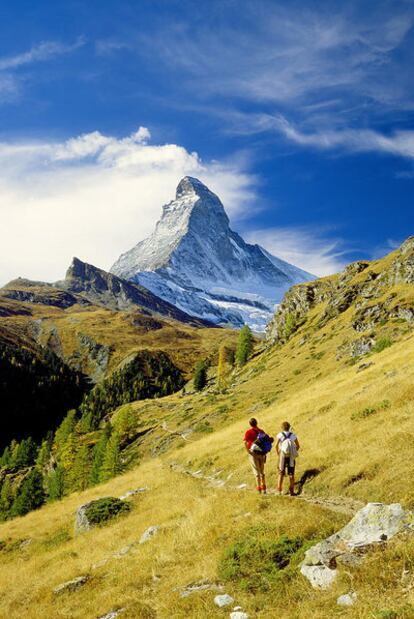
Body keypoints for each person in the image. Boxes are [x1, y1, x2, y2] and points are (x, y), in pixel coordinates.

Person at [243, 417, 272, 494]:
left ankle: (259, 490)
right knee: (262, 472)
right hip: (262, 454)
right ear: (257, 423)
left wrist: (249, 452)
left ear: (250, 424)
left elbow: (245, 442)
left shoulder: (248, 432)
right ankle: (264, 488)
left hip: (253, 454)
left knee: (256, 472)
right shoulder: (261, 431)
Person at [276, 421, 300, 496]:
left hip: (282, 455)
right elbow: (298, 446)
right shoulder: (293, 435)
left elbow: (276, 446)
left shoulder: (280, 435)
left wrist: (278, 454)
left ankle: (279, 490)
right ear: (289, 427)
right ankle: (292, 491)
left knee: (281, 473)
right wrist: (293, 451)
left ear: (282, 428)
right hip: (291, 456)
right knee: (291, 473)